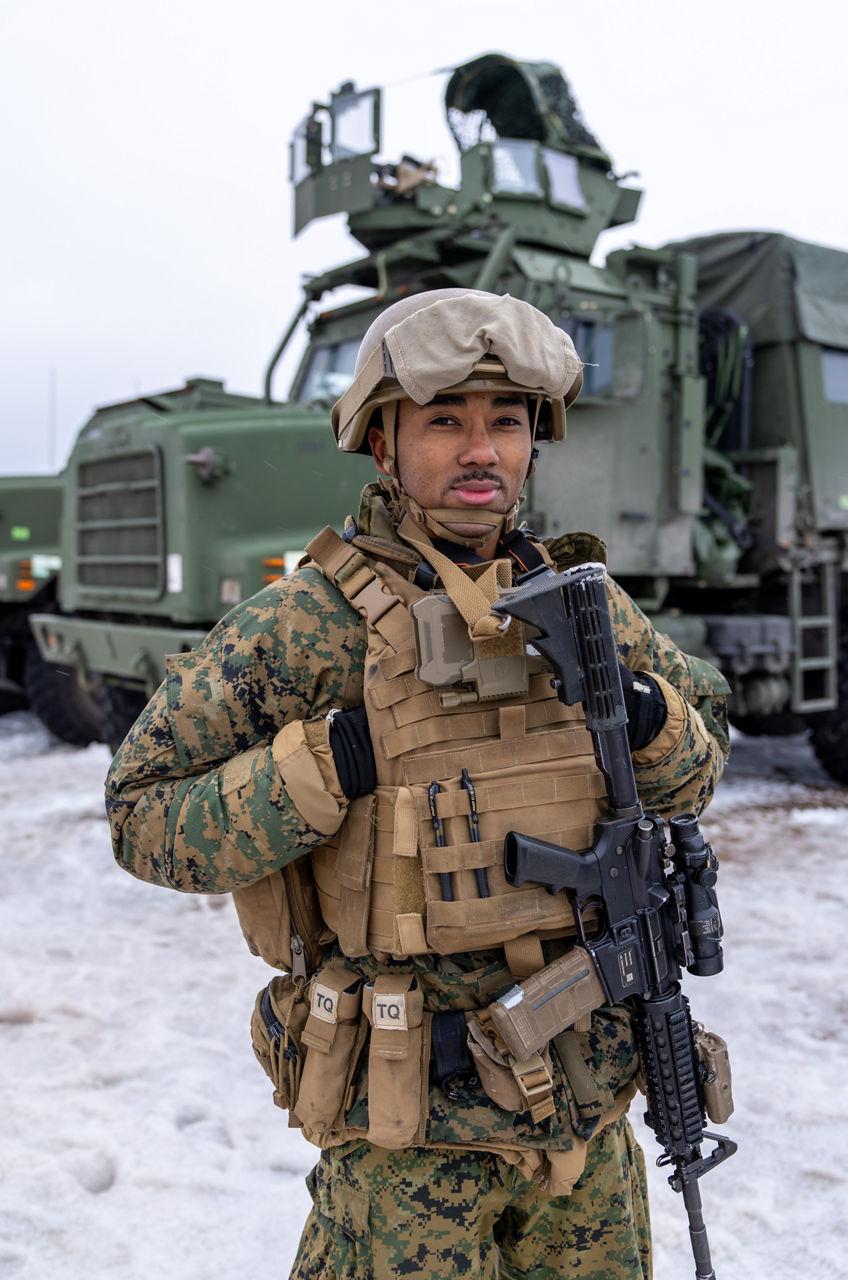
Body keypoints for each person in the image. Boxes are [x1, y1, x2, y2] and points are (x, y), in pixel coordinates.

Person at [105, 288, 730, 1280]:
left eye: (507, 421)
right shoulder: (305, 623)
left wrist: (649, 714)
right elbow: (141, 818)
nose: (481, 450)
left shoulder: (585, 603)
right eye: (445, 420)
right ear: (383, 439)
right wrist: (323, 765)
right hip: (409, 1146)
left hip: (590, 1127)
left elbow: (701, 765)